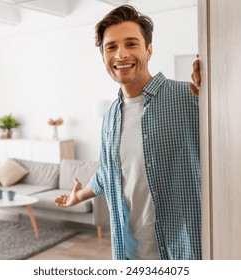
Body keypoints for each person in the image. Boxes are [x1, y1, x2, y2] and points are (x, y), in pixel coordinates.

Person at [55, 5, 201, 260]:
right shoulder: (110, 116)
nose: (121, 54)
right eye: (111, 47)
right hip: (129, 255)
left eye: (131, 44)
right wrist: (79, 194)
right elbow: (110, 172)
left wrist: (219, 82)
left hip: (182, 253)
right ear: (103, 57)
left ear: (149, 50)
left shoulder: (188, 95)